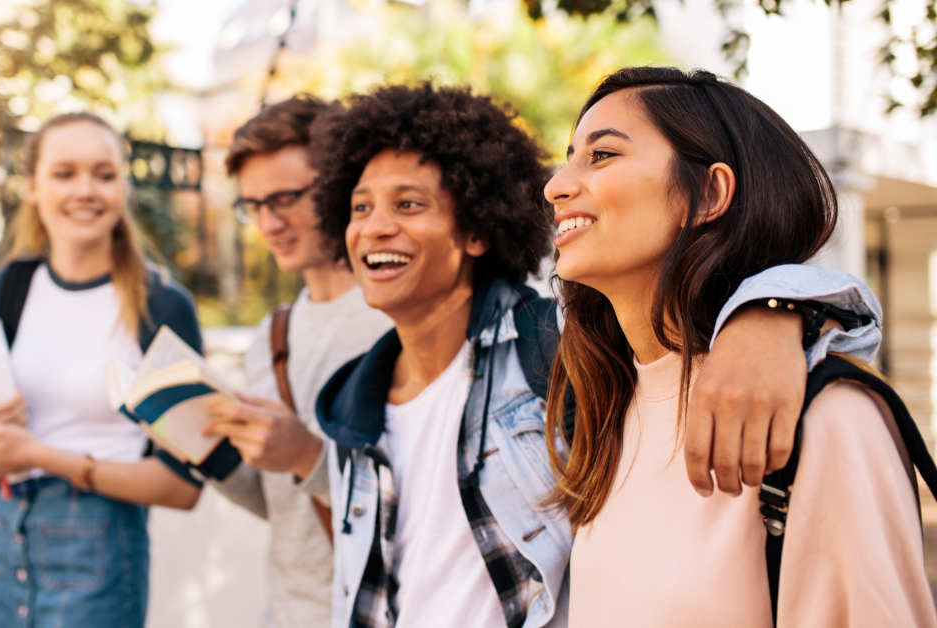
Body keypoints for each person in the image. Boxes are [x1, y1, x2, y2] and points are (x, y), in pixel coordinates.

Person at [308, 83, 883, 627]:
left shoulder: (552, 350)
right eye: (359, 209)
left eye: (408, 204)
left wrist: (773, 311)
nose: (375, 228)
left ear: (477, 231)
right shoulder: (348, 404)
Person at [544, 67, 934, 627]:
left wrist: (776, 310)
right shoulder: (600, 408)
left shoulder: (823, 417)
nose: (554, 185)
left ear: (709, 193)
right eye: (570, 155)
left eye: (602, 155)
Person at [0, 112, 204, 628]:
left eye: (104, 174)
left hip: (101, 547)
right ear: (32, 187)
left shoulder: (162, 306)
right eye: (65, 173)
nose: (85, 190)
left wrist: (42, 455)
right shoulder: (11, 288)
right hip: (8, 533)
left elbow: (183, 487)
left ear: (123, 187)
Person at [197, 95, 395, 627]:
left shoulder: (398, 317)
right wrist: (202, 449)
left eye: (285, 197)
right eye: (254, 205)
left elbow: (427, 502)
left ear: (336, 185)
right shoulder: (272, 335)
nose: (270, 222)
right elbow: (284, 510)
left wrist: (308, 454)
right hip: (285, 612)